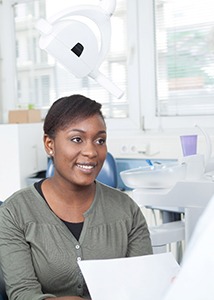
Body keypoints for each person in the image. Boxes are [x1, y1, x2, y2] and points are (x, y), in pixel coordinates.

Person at [0, 94, 152, 300]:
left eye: (100, 140)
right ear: (49, 144)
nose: (91, 151)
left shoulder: (127, 210)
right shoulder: (15, 212)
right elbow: (22, 294)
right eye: (77, 139)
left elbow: (143, 286)